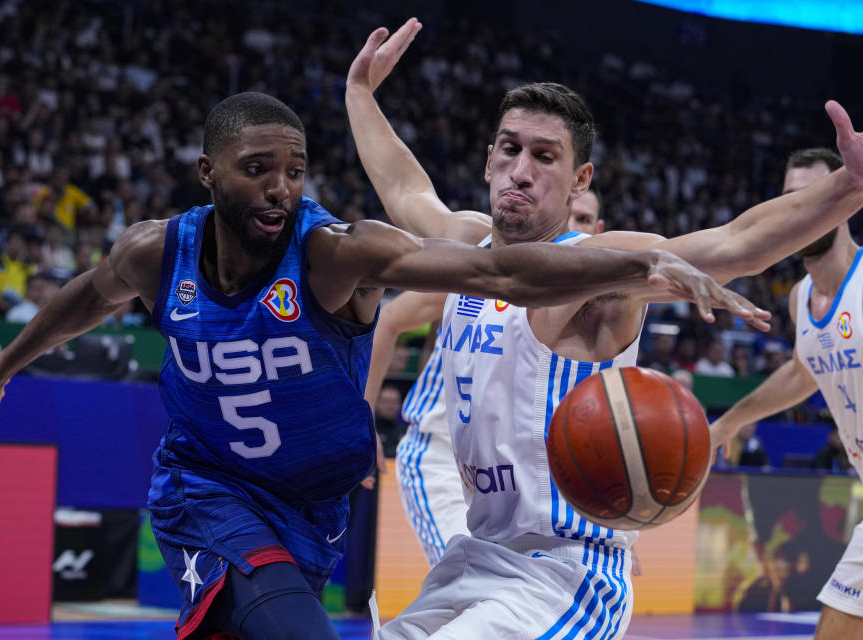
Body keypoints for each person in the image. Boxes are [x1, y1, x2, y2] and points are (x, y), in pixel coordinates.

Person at [0, 92, 752, 640]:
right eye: (257, 169)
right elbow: (87, 297)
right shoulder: (158, 252)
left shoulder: (336, 252)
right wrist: (4, 367)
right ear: (209, 174)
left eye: (295, 171)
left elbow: (494, 271)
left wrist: (635, 266)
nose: (279, 190)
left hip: (310, 508)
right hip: (211, 488)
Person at [345, 19, 863, 639]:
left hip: (565, 576)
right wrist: (359, 95)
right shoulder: (468, 247)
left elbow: (737, 242)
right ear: (488, 161)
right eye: (509, 149)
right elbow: (406, 189)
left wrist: (850, 186)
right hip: (477, 558)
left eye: (544, 156)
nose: (521, 170)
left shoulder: (603, 270)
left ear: (579, 181)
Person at [364, 187, 607, 568]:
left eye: (583, 221)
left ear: (599, 232)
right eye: (569, 217)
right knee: (471, 590)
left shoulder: (590, 319)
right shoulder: (493, 272)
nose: (572, 229)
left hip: (509, 481)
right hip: (442, 456)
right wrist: (363, 420)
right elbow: (388, 320)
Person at [710, 147, 863, 640]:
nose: (801, 209)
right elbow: (803, 372)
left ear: (843, 201)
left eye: (815, 195)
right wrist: (731, 420)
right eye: (790, 198)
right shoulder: (800, 300)